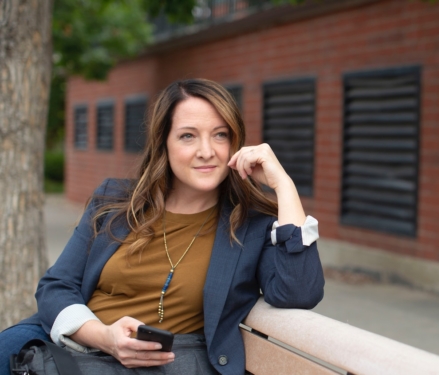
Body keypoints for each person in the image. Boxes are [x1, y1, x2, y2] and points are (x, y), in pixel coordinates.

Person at [0, 78, 325, 375]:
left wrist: (283, 185)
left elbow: (299, 292)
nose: (206, 151)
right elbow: (56, 285)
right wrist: (104, 337)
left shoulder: (251, 226)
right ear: (163, 143)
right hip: (73, 350)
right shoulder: (114, 200)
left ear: (235, 142)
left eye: (220, 135)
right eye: (188, 136)